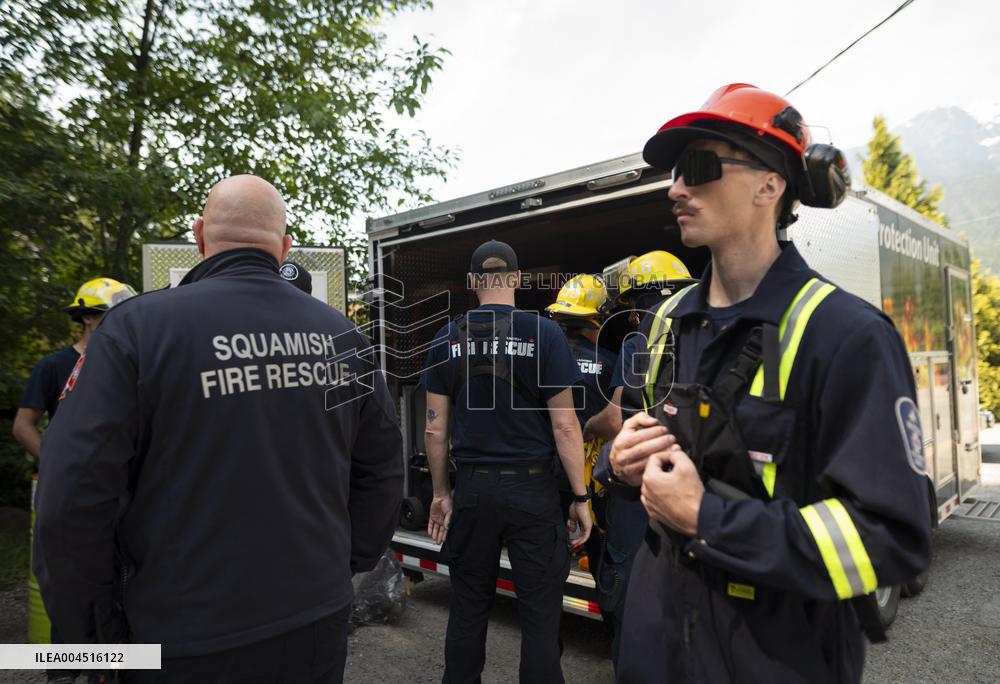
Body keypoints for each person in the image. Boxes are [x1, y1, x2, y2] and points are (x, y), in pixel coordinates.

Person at [608, 84, 932, 682]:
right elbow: (650, 445)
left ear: (769, 186)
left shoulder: (847, 335)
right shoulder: (668, 323)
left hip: (777, 657)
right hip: (655, 648)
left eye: (699, 168)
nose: (675, 188)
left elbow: (889, 539)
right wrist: (623, 461)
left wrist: (709, 521)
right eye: (676, 174)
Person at [33, 174, 403, 683]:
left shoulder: (136, 330)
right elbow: (382, 470)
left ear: (200, 235)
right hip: (314, 621)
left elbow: (70, 498)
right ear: (284, 245)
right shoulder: (344, 336)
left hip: (181, 634)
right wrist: (346, 563)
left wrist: (89, 633)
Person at [421, 239, 592, 684]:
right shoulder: (546, 333)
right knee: (539, 614)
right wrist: (580, 497)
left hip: (475, 491)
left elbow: (435, 429)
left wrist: (442, 494)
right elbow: (567, 427)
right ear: (516, 279)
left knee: (468, 608)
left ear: (474, 282)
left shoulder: (446, 338)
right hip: (533, 492)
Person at [590, 250, 695, 672]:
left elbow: (618, 418)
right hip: (694, 487)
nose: (631, 315)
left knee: (626, 589)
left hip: (640, 489)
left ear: (640, 300)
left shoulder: (642, 338)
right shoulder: (710, 331)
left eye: (631, 304)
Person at [12, 277, 136, 459]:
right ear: (87, 317)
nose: (119, 323)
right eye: (112, 315)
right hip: (73, 475)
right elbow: (23, 426)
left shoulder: (129, 364)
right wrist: (54, 465)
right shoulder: (52, 366)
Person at [544, 273, 618, 575]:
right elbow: (616, 421)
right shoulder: (611, 362)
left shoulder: (543, 359)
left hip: (548, 470)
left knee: (547, 549)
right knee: (604, 557)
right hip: (597, 477)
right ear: (599, 318)